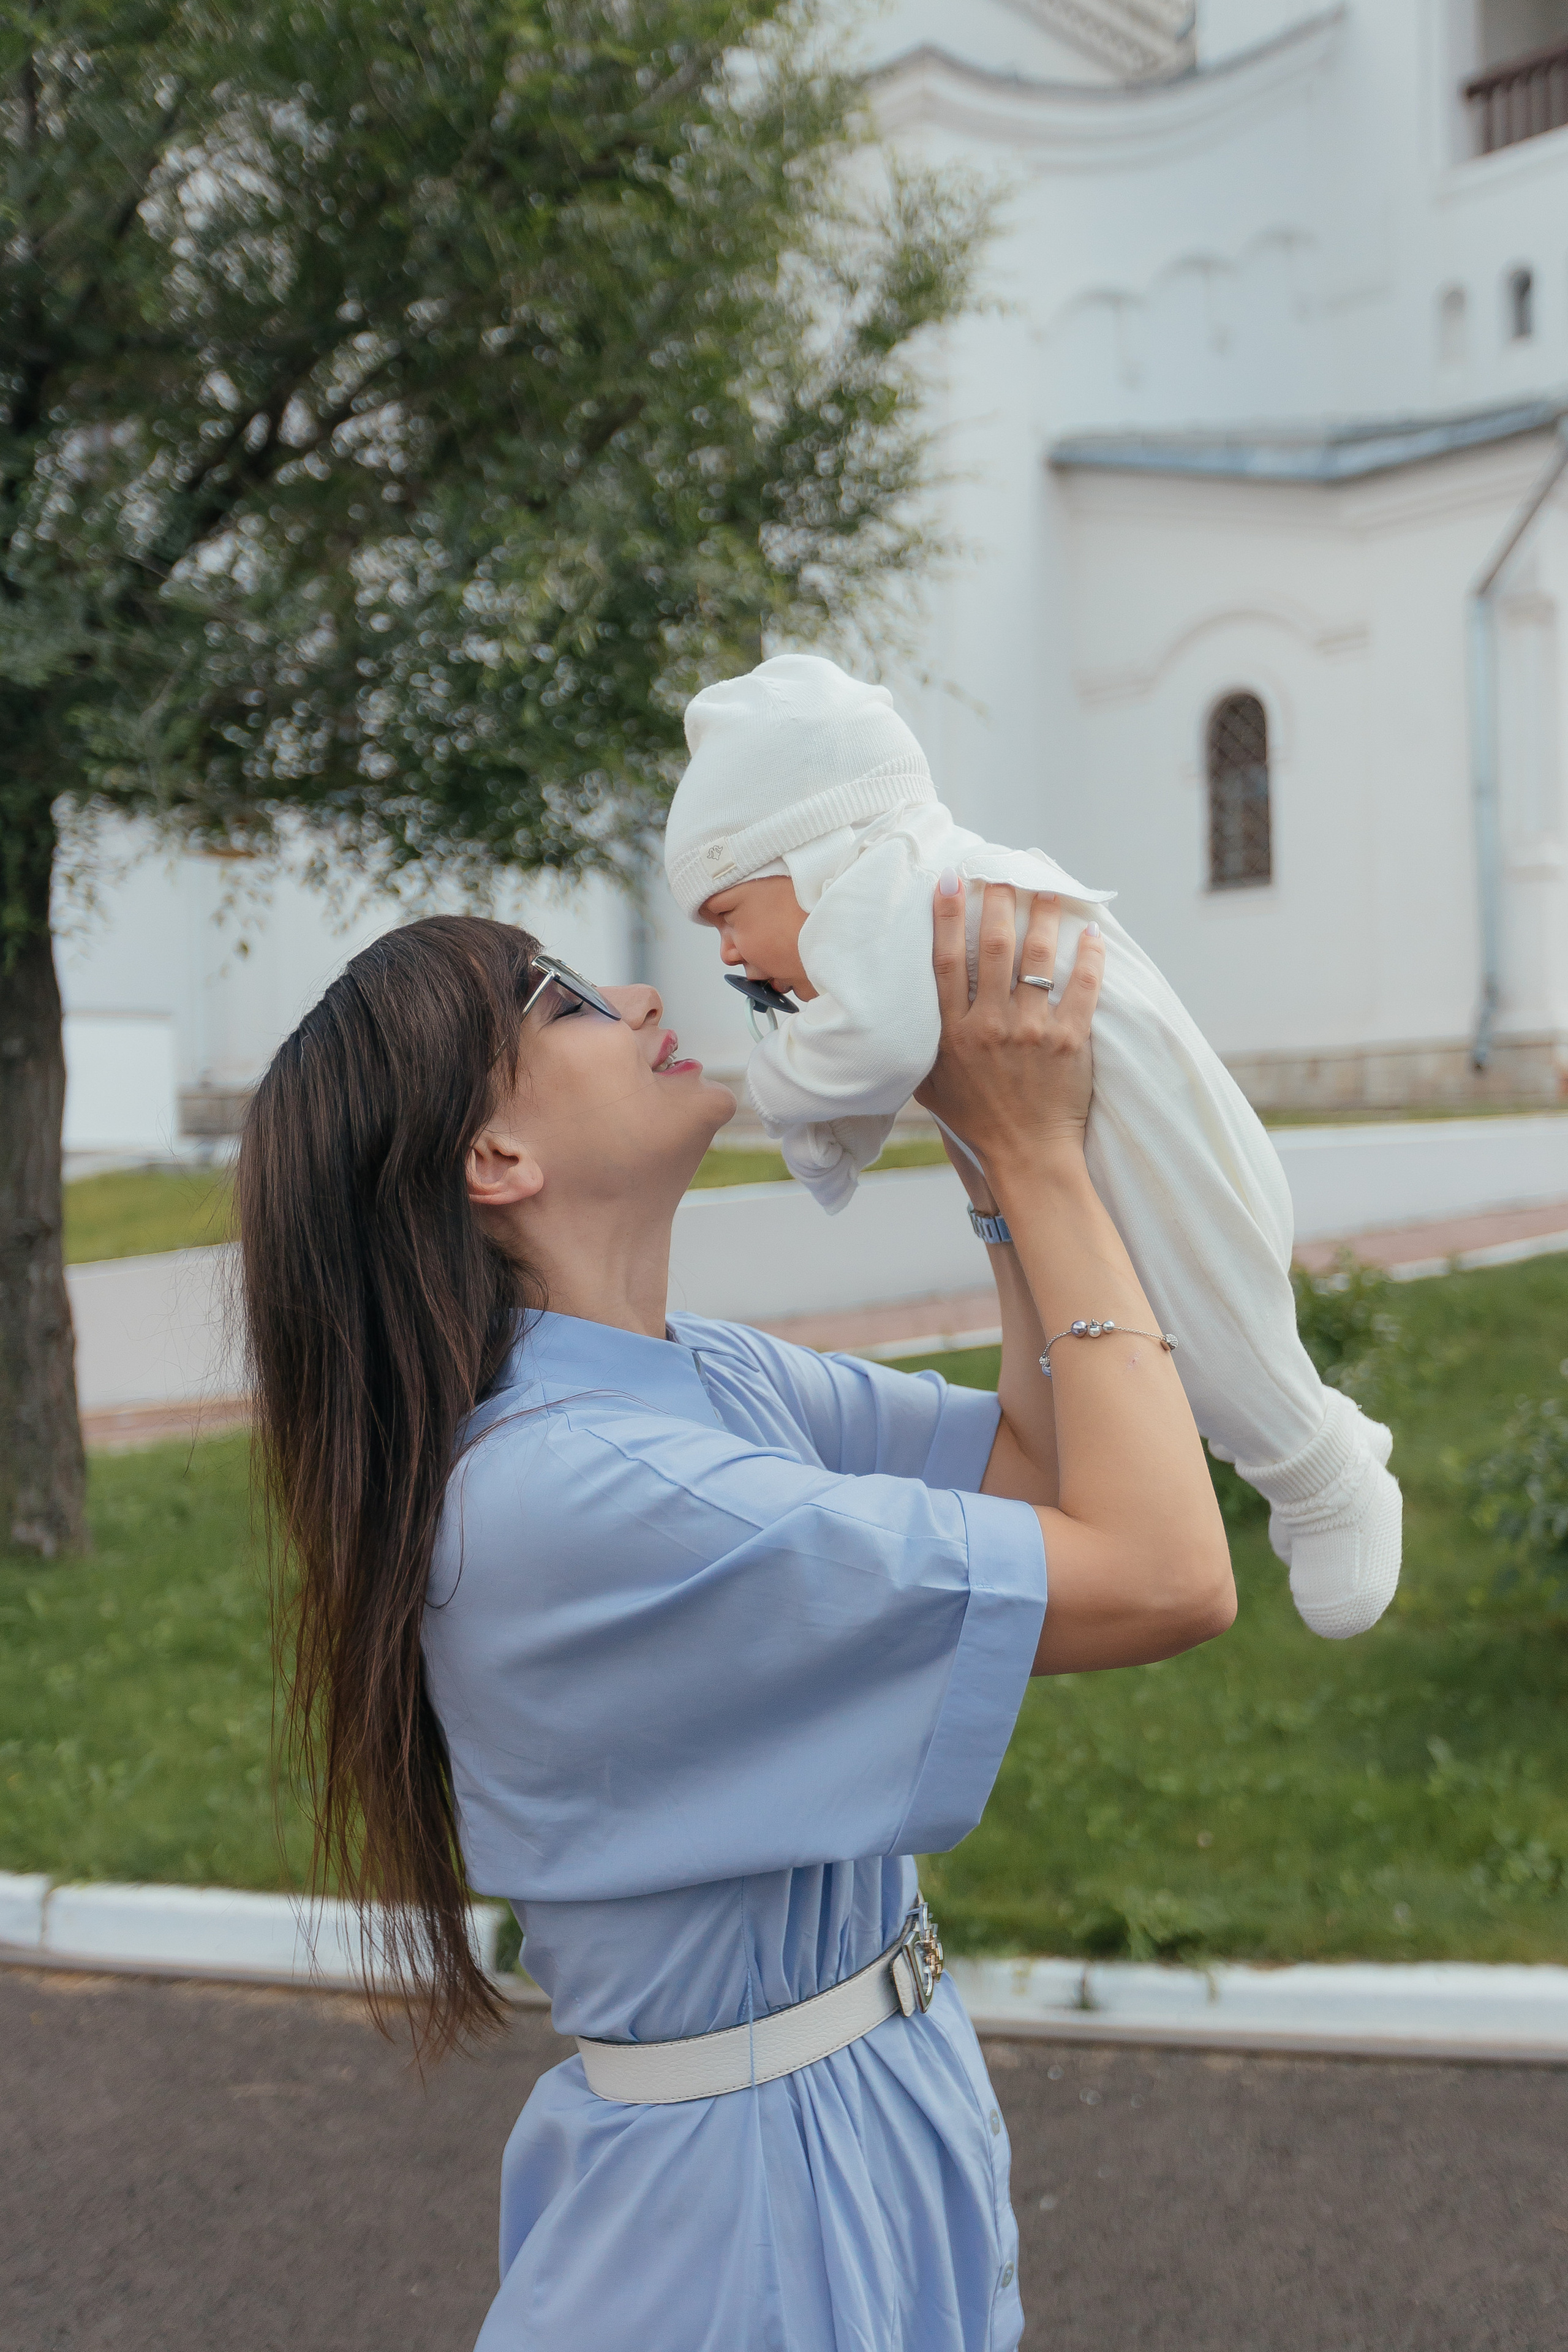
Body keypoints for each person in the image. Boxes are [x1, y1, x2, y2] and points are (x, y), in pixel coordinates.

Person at [235, 891, 1234, 2352]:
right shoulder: (582, 1491)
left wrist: (981, 1138)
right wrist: (1035, 1153)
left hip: (850, 2131)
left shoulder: (698, 1377)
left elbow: (1043, 1467)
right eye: (566, 1001)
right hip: (741, 2226)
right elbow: (1162, 1573)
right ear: (492, 1160)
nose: (643, 997)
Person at [664, 651, 1402, 1643]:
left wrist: (779, 1090)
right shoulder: (907, 888)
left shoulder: (892, 891)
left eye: (726, 913)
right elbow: (886, 1058)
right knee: (1166, 1326)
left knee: (1205, 1324)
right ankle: (1315, 1445)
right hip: (1126, 1122)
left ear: (805, 855)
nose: (728, 954)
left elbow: (873, 1049)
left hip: (1143, 1131)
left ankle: (1319, 1472)